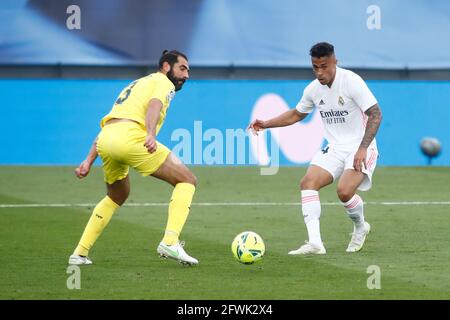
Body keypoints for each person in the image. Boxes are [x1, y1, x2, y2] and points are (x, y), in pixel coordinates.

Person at [249, 42, 382, 254]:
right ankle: (315, 243)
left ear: (335, 62)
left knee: (344, 191)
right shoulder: (312, 89)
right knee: (308, 183)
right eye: (315, 67)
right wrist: (265, 124)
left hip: (361, 146)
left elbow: (376, 113)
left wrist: (363, 148)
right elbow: (296, 114)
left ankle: (360, 227)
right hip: (335, 148)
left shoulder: (351, 81)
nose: (320, 72)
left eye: (324, 66)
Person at [68, 50, 199, 266]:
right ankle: (170, 241)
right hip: (131, 138)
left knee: (117, 194)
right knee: (187, 180)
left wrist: (88, 160)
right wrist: (150, 134)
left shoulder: (136, 84)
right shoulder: (163, 82)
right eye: (182, 68)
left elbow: (112, 122)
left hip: (107, 140)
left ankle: (79, 254)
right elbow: (154, 106)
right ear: (166, 66)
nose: (186, 75)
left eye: (188, 71)